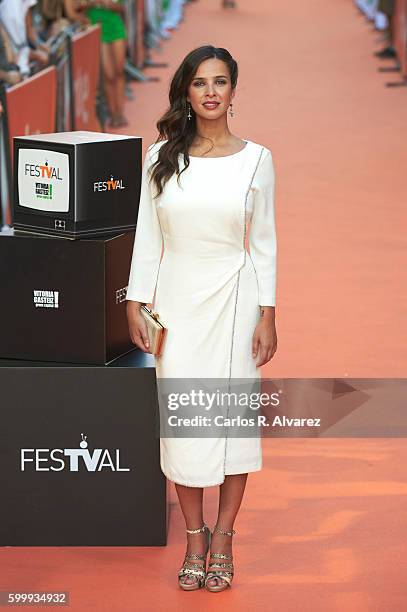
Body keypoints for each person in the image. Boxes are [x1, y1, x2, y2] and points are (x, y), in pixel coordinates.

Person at [126, 45, 277, 592]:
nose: (210, 92)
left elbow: (264, 244)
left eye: (220, 82)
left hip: (237, 299)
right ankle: (194, 535)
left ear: (234, 90)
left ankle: (224, 538)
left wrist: (268, 314)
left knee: (232, 420)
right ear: (185, 92)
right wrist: (135, 301)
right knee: (185, 419)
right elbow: (147, 237)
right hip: (178, 302)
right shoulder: (160, 158)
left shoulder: (257, 159)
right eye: (199, 83)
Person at [84, 0, 128, 127]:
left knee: (119, 71)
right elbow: (77, 8)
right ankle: (113, 114)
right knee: (108, 75)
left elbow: (122, 8)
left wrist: (108, 4)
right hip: (98, 29)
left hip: (116, 28)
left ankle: (120, 113)